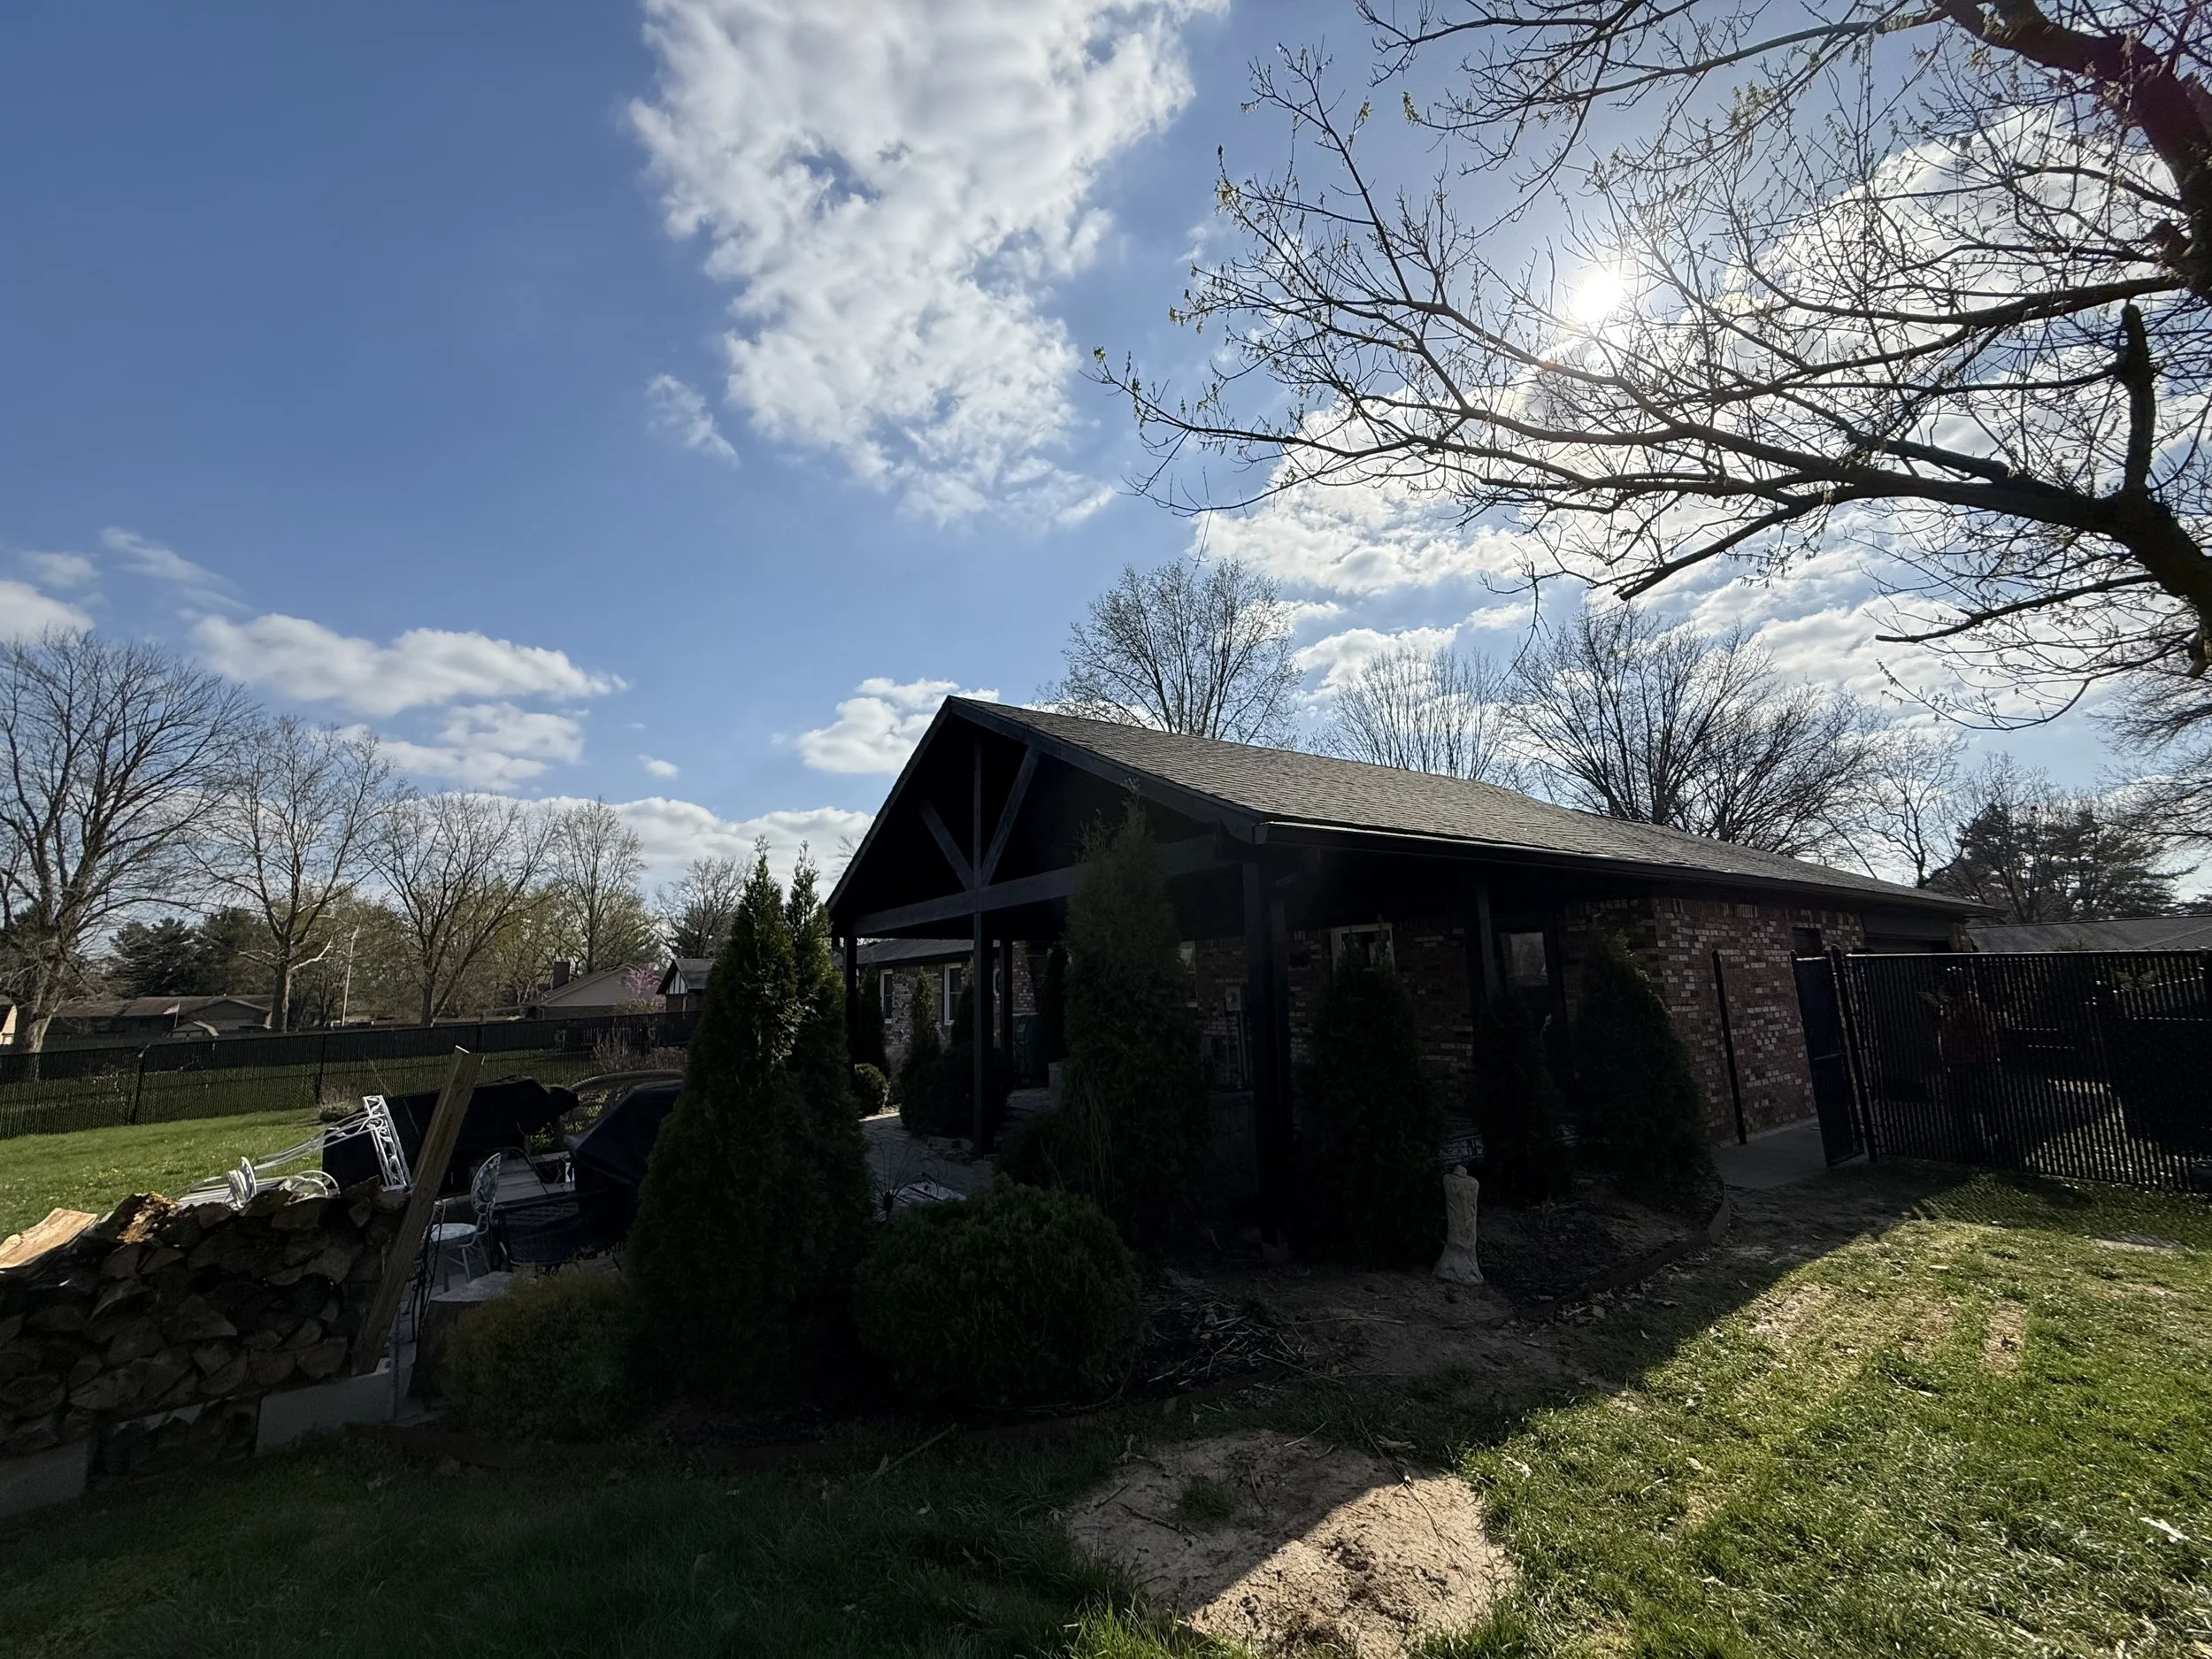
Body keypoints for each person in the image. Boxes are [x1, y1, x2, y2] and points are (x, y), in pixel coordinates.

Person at [1934, 970, 2005, 1160]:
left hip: (1974, 1065)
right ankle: (1972, 1144)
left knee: (1982, 1106)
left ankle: (1989, 1145)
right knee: (1965, 1108)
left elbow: (1983, 1035)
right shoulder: (1955, 1009)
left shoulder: (1970, 1009)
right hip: (1961, 1064)